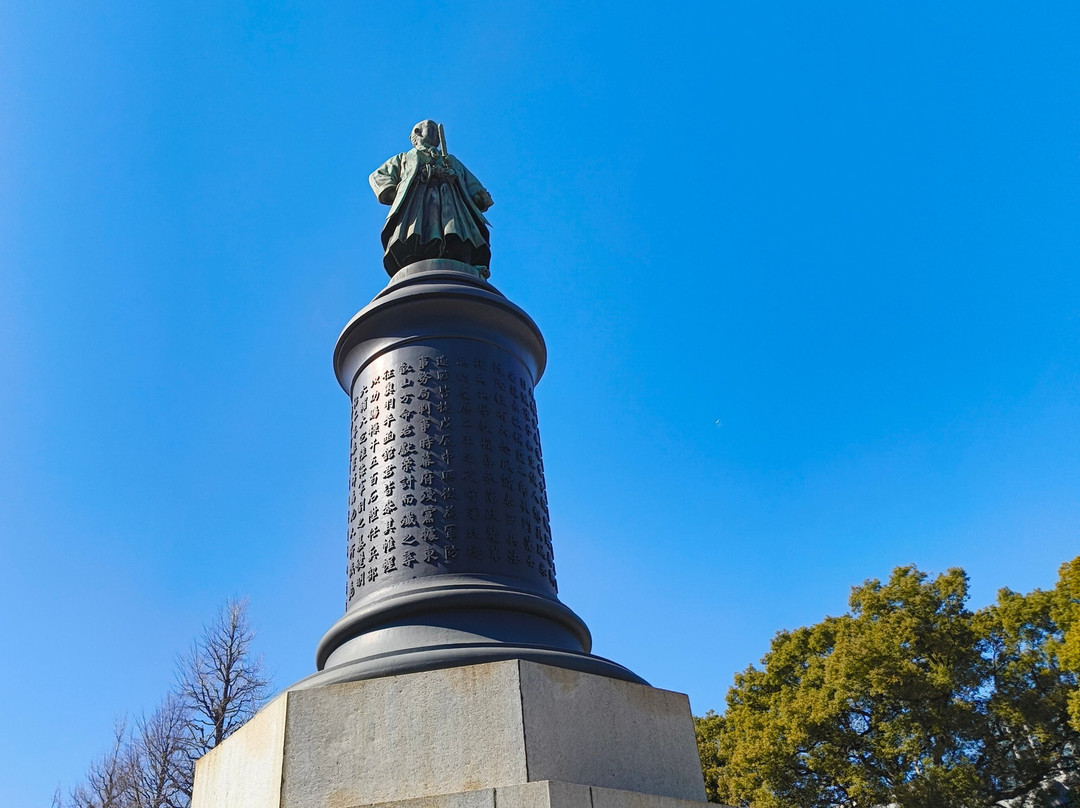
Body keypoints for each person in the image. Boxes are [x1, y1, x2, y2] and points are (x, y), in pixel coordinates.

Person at [369, 120, 494, 277]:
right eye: (431, 128)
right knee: (415, 230)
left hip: (451, 201)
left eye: (436, 129)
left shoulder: (450, 160)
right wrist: (393, 192)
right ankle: (416, 257)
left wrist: (478, 195)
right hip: (418, 199)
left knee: (458, 231)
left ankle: (462, 259)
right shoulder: (405, 157)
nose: (436, 133)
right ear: (418, 133)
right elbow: (378, 175)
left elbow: (471, 182)